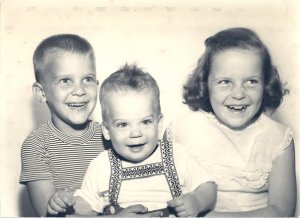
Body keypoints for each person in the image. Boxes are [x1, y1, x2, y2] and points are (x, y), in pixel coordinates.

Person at [164, 27, 297, 216]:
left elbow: (282, 212)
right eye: (225, 82)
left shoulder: (279, 139)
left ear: (266, 84)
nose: (238, 94)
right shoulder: (182, 130)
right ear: (205, 83)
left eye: (251, 81)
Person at [57, 64, 217, 217]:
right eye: (123, 124)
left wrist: (197, 201)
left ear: (159, 124)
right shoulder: (101, 165)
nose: (136, 133)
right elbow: (86, 206)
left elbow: (208, 187)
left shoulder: (177, 155)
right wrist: (65, 203)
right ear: (106, 130)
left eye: (145, 122)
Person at [19, 34, 106, 217]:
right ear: (41, 92)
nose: (80, 91)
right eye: (65, 81)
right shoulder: (36, 146)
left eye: (87, 79)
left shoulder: (109, 135)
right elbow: (47, 214)